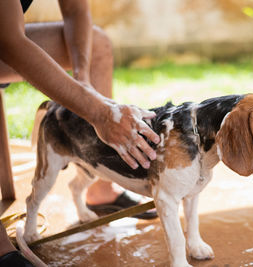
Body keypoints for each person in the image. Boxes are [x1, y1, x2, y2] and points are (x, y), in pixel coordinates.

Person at [0, 0, 160, 265]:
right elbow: (9, 42)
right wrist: (98, 112)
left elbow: (76, 11)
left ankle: (100, 185)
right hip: (5, 37)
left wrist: (83, 80)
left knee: (97, 43)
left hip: (6, 33)